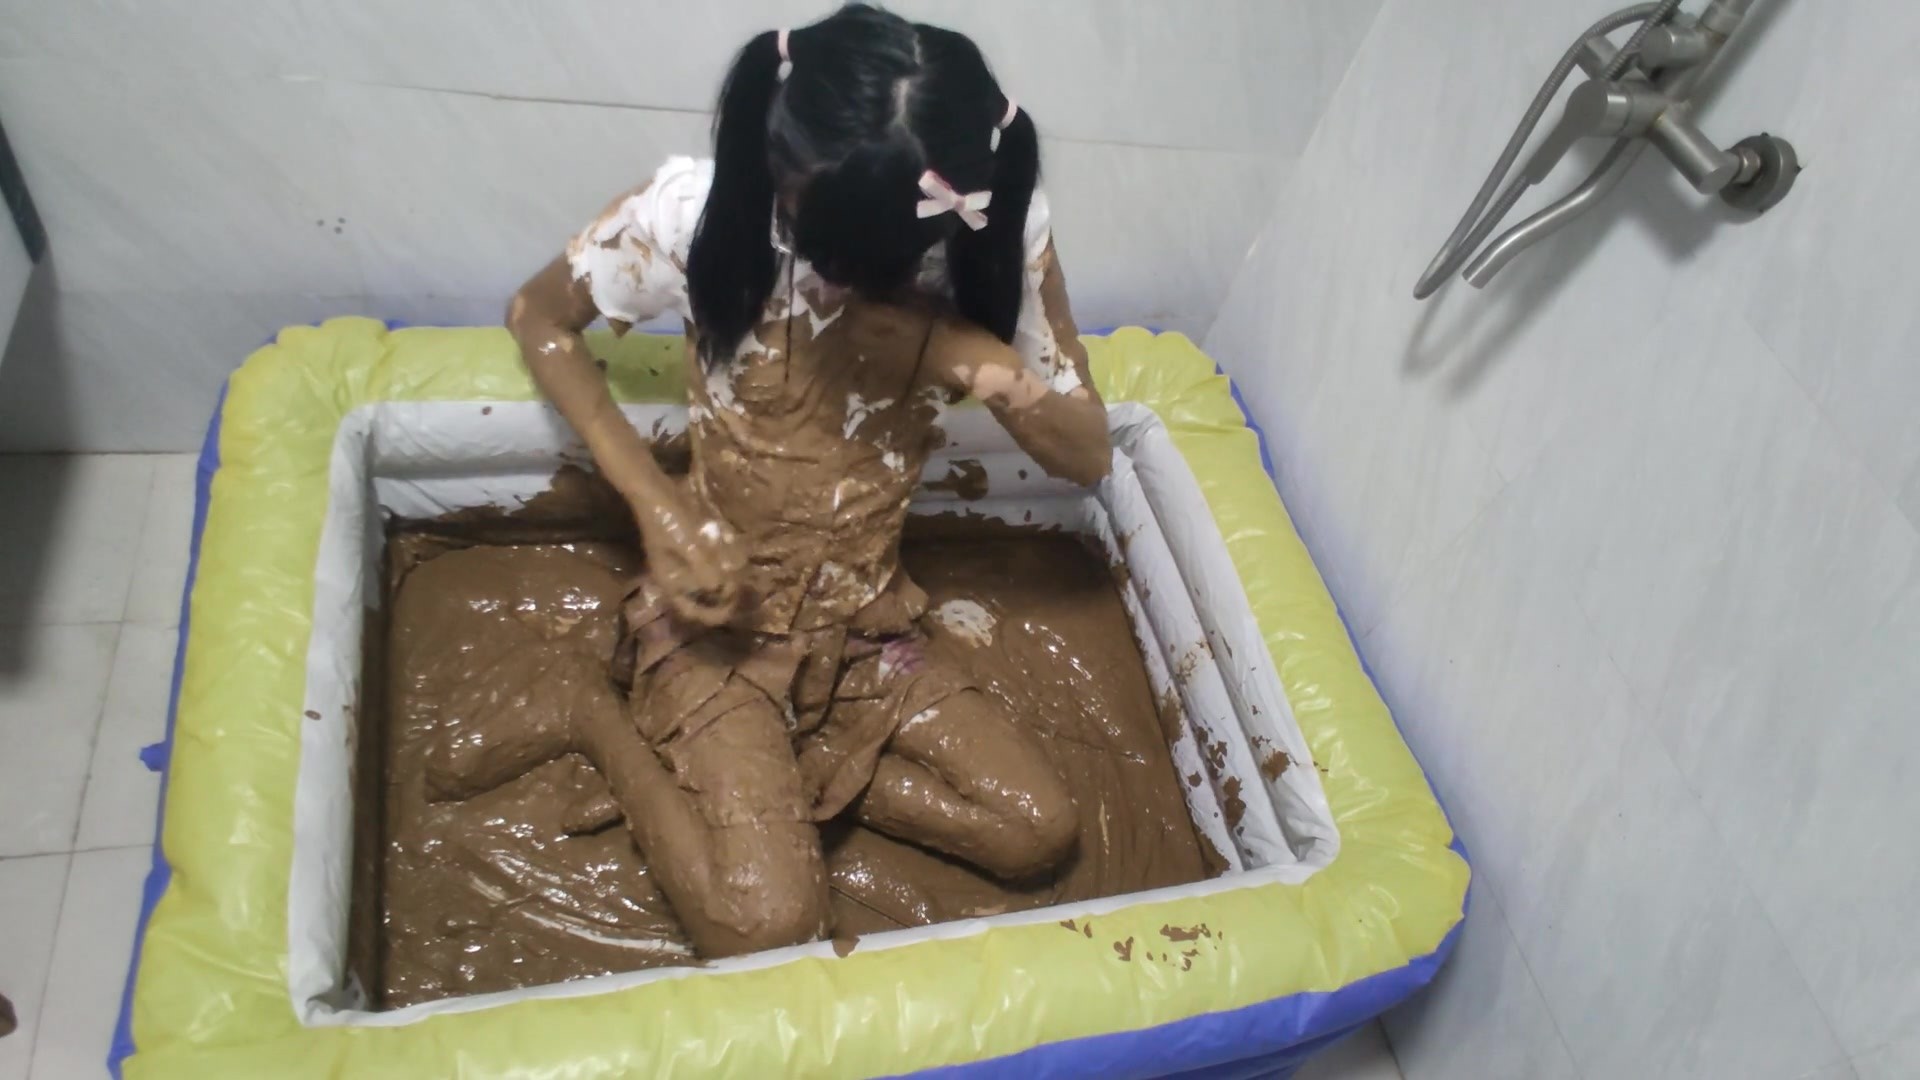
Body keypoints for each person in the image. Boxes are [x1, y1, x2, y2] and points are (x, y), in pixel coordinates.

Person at [456, 4, 1111, 958]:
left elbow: (1089, 456)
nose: (842, 284)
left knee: (1037, 831)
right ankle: (588, 711)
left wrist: (979, 362)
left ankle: (771, 788)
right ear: (779, 171)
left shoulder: (998, 228)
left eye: (877, 265)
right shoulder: (695, 213)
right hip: (719, 618)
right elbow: (537, 318)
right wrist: (657, 505)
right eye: (823, 248)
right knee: (764, 924)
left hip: (872, 632)